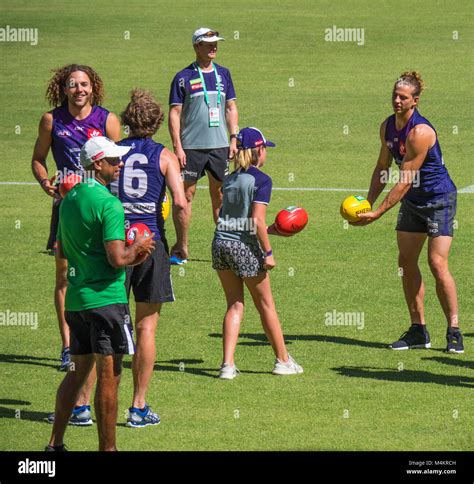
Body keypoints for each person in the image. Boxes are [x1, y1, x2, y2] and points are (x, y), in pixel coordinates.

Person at [45, 136, 155, 452]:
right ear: (97, 164)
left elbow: (62, 250)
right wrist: (139, 248)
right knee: (110, 376)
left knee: (77, 373)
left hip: (77, 301)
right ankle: (108, 449)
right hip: (106, 302)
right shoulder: (109, 204)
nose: (120, 164)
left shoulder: (68, 199)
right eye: (114, 160)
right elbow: (117, 259)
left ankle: (55, 444)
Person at [353, 71, 463, 353]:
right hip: (412, 200)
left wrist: (378, 213)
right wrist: (367, 203)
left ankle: (454, 330)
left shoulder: (420, 132)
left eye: (403, 97)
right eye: (394, 95)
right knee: (406, 261)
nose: (397, 101)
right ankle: (418, 331)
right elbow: (382, 169)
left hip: (438, 198)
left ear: (415, 101)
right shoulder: (387, 127)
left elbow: (404, 180)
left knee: (437, 264)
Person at [31, 64, 121, 372]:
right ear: (64, 88)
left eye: (84, 84)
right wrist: (46, 184)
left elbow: (116, 166)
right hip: (67, 207)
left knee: (99, 269)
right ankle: (68, 346)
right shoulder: (51, 121)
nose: (79, 89)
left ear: (93, 87)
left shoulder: (107, 120)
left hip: (97, 207)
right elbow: (38, 159)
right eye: (73, 85)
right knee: (64, 276)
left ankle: (97, 339)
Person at [110, 89, 187, 426]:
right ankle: (138, 407)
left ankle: (84, 404)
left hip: (113, 245)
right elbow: (181, 204)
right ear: (157, 123)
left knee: (105, 326)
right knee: (146, 327)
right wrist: (181, 245)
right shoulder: (165, 156)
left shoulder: (111, 153)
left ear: (127, 120)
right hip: (150, 245)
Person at [212, 127, 303, 379]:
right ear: (259, 150)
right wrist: (268, 251)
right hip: (245, 249)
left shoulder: (229, 178)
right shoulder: (262, 180)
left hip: (220, 243)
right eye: (265, 148)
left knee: (234, 304)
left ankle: (227, 366)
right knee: (266, 306)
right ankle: (283, 361)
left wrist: (271, 230)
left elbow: (228, 217)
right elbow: (256, 220)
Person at [168, 27, 239, 262]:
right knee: (185, 196)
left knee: (220, 197)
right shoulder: (183, 77)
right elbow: (175, 113)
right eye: (209, 44)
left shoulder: (224, 74)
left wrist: (233, 138)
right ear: (196, 46)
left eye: (216, 43)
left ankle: (224, 249)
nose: (214, 47)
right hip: (191, 148)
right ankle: (182, 249)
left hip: (219, 146)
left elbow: (230, 108)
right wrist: (177, 146)